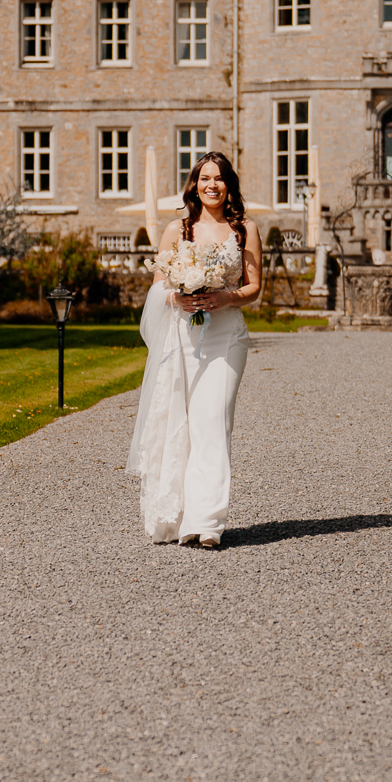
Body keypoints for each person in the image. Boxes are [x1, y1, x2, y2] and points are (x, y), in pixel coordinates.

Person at [129, 151, 263, 547]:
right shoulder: (178, 229)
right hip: (185, 337)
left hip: (227, 337)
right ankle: (181, 516)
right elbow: (158, 287)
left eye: (219, 178)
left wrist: (226, 298)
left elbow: (255, 288)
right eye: (205, 177)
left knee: (213, 421)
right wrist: (178, 299)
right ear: (194, 183)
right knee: (182, 425)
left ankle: (208, 522)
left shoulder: (245, 230)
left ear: (229, 185)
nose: (212, 185)